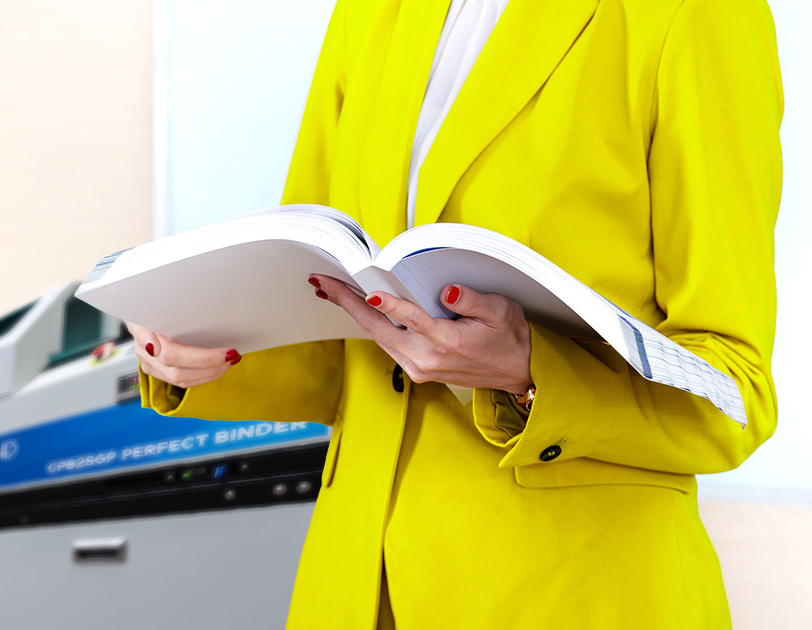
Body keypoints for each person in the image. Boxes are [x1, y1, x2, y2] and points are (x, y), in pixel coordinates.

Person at [128, 0, 783, 627]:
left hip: (567, 591)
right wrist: (199, 337)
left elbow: (735, 396)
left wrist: (529, 374)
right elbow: (335, 319)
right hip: (355, 583)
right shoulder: (372, 9)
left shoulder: (696, 11)